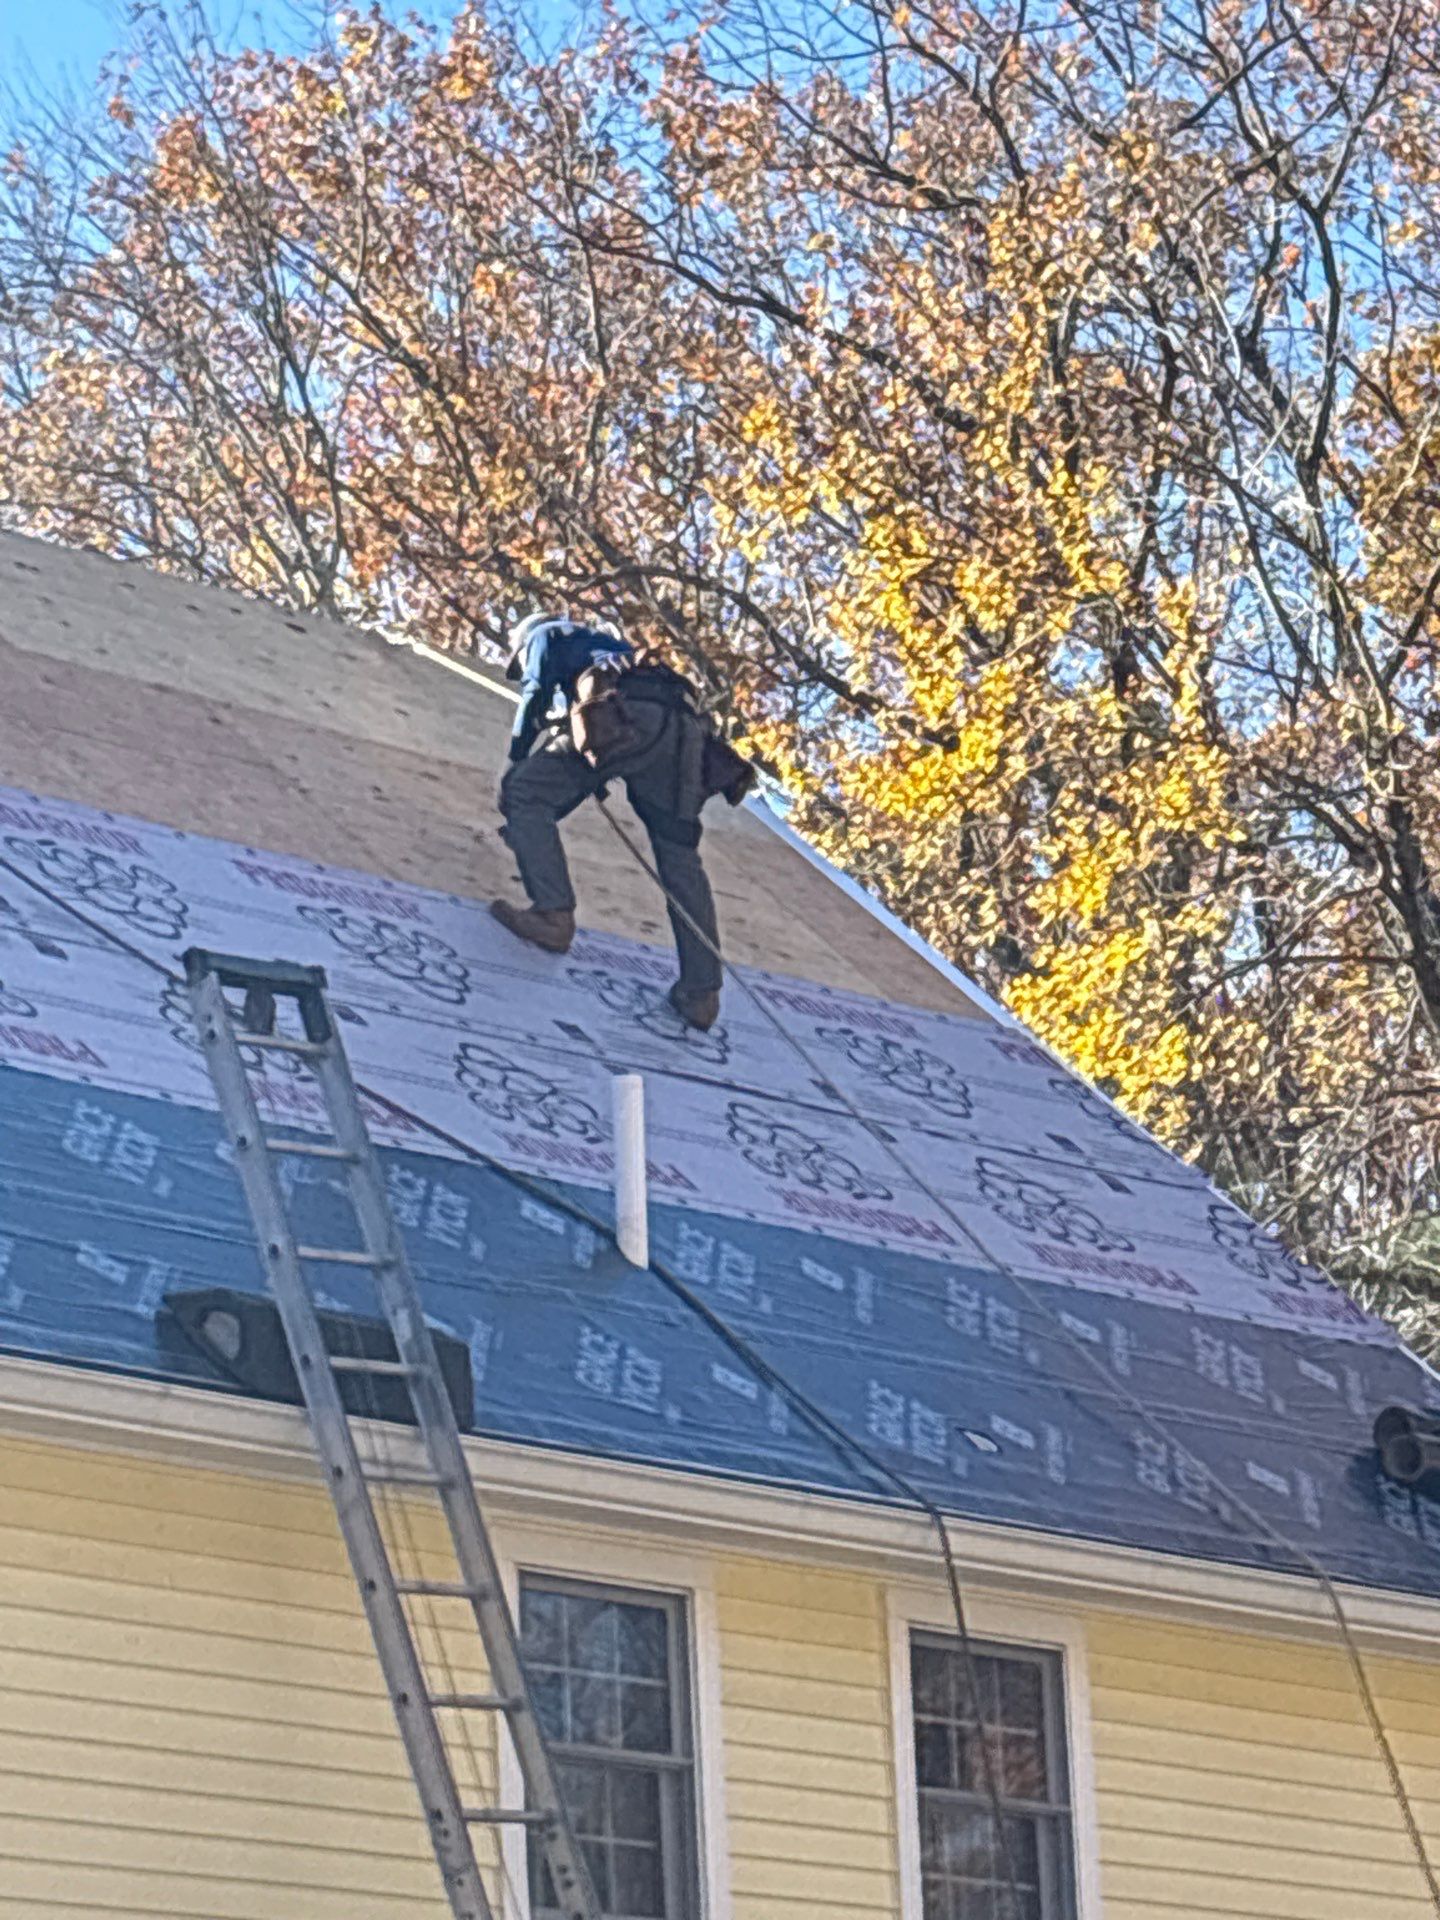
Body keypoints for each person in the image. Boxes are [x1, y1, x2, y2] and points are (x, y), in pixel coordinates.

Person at [491, 612, 742, 1032]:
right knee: (679, 857)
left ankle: (553, 914)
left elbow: (534, 695)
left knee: (525, 791)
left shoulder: (546, 636)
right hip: (683, 730)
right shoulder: (615, 650)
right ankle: (702, 993)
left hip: (624, 715)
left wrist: (515, 764)